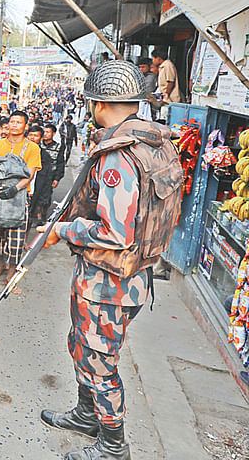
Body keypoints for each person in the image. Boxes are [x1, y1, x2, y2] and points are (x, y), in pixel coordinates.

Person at [37, 60, 183, 460]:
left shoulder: (119, 155)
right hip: (131, 276)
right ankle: (87, 416)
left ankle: (114, 447)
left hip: (109, 282)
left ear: (99, 104)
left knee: (100, 364)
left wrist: (63, 231)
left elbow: (116, 232)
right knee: (83, 347)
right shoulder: (158, 143)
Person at [0, 111, 41, 282]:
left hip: (19, 198)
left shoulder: (32, 148)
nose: (14, 125)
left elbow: (29, 175)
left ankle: (11, 271)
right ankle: (1, 263)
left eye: (19, 122)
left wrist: (14, 189)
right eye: (12, 121)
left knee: (15, 240)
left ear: (25, 126)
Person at [28, 125, 53, 227]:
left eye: (36, 135)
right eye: (31, 135)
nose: (32, 138)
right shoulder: (22, 151)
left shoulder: (44, 155)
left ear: (41, 138)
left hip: (37, 187)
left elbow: (47, 176)